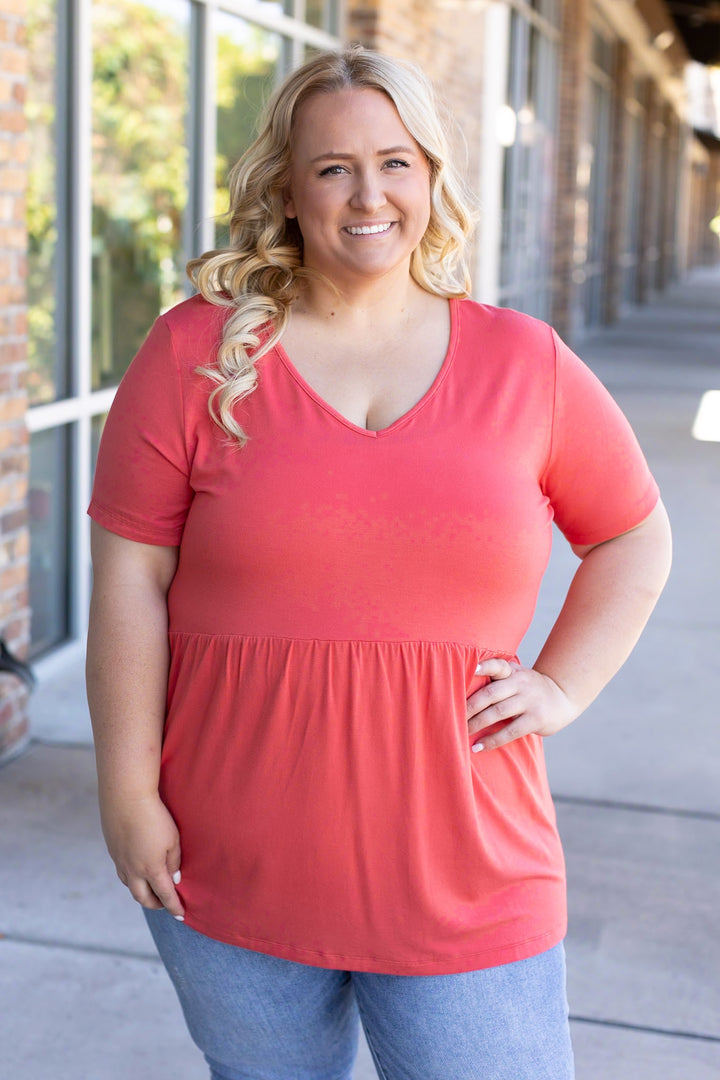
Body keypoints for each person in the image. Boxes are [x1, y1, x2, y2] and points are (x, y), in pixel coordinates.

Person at [86, 45, 672, 1080]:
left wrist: (563, 685)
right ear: (286, 188)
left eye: (396, 162)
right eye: (333, 168)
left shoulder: (523, 362)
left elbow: (632, 533)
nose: (369, 195)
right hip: (229, 862)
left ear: (434, 178)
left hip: (469, 865)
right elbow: (131, 578)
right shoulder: (196, 356)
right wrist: (128, 794)